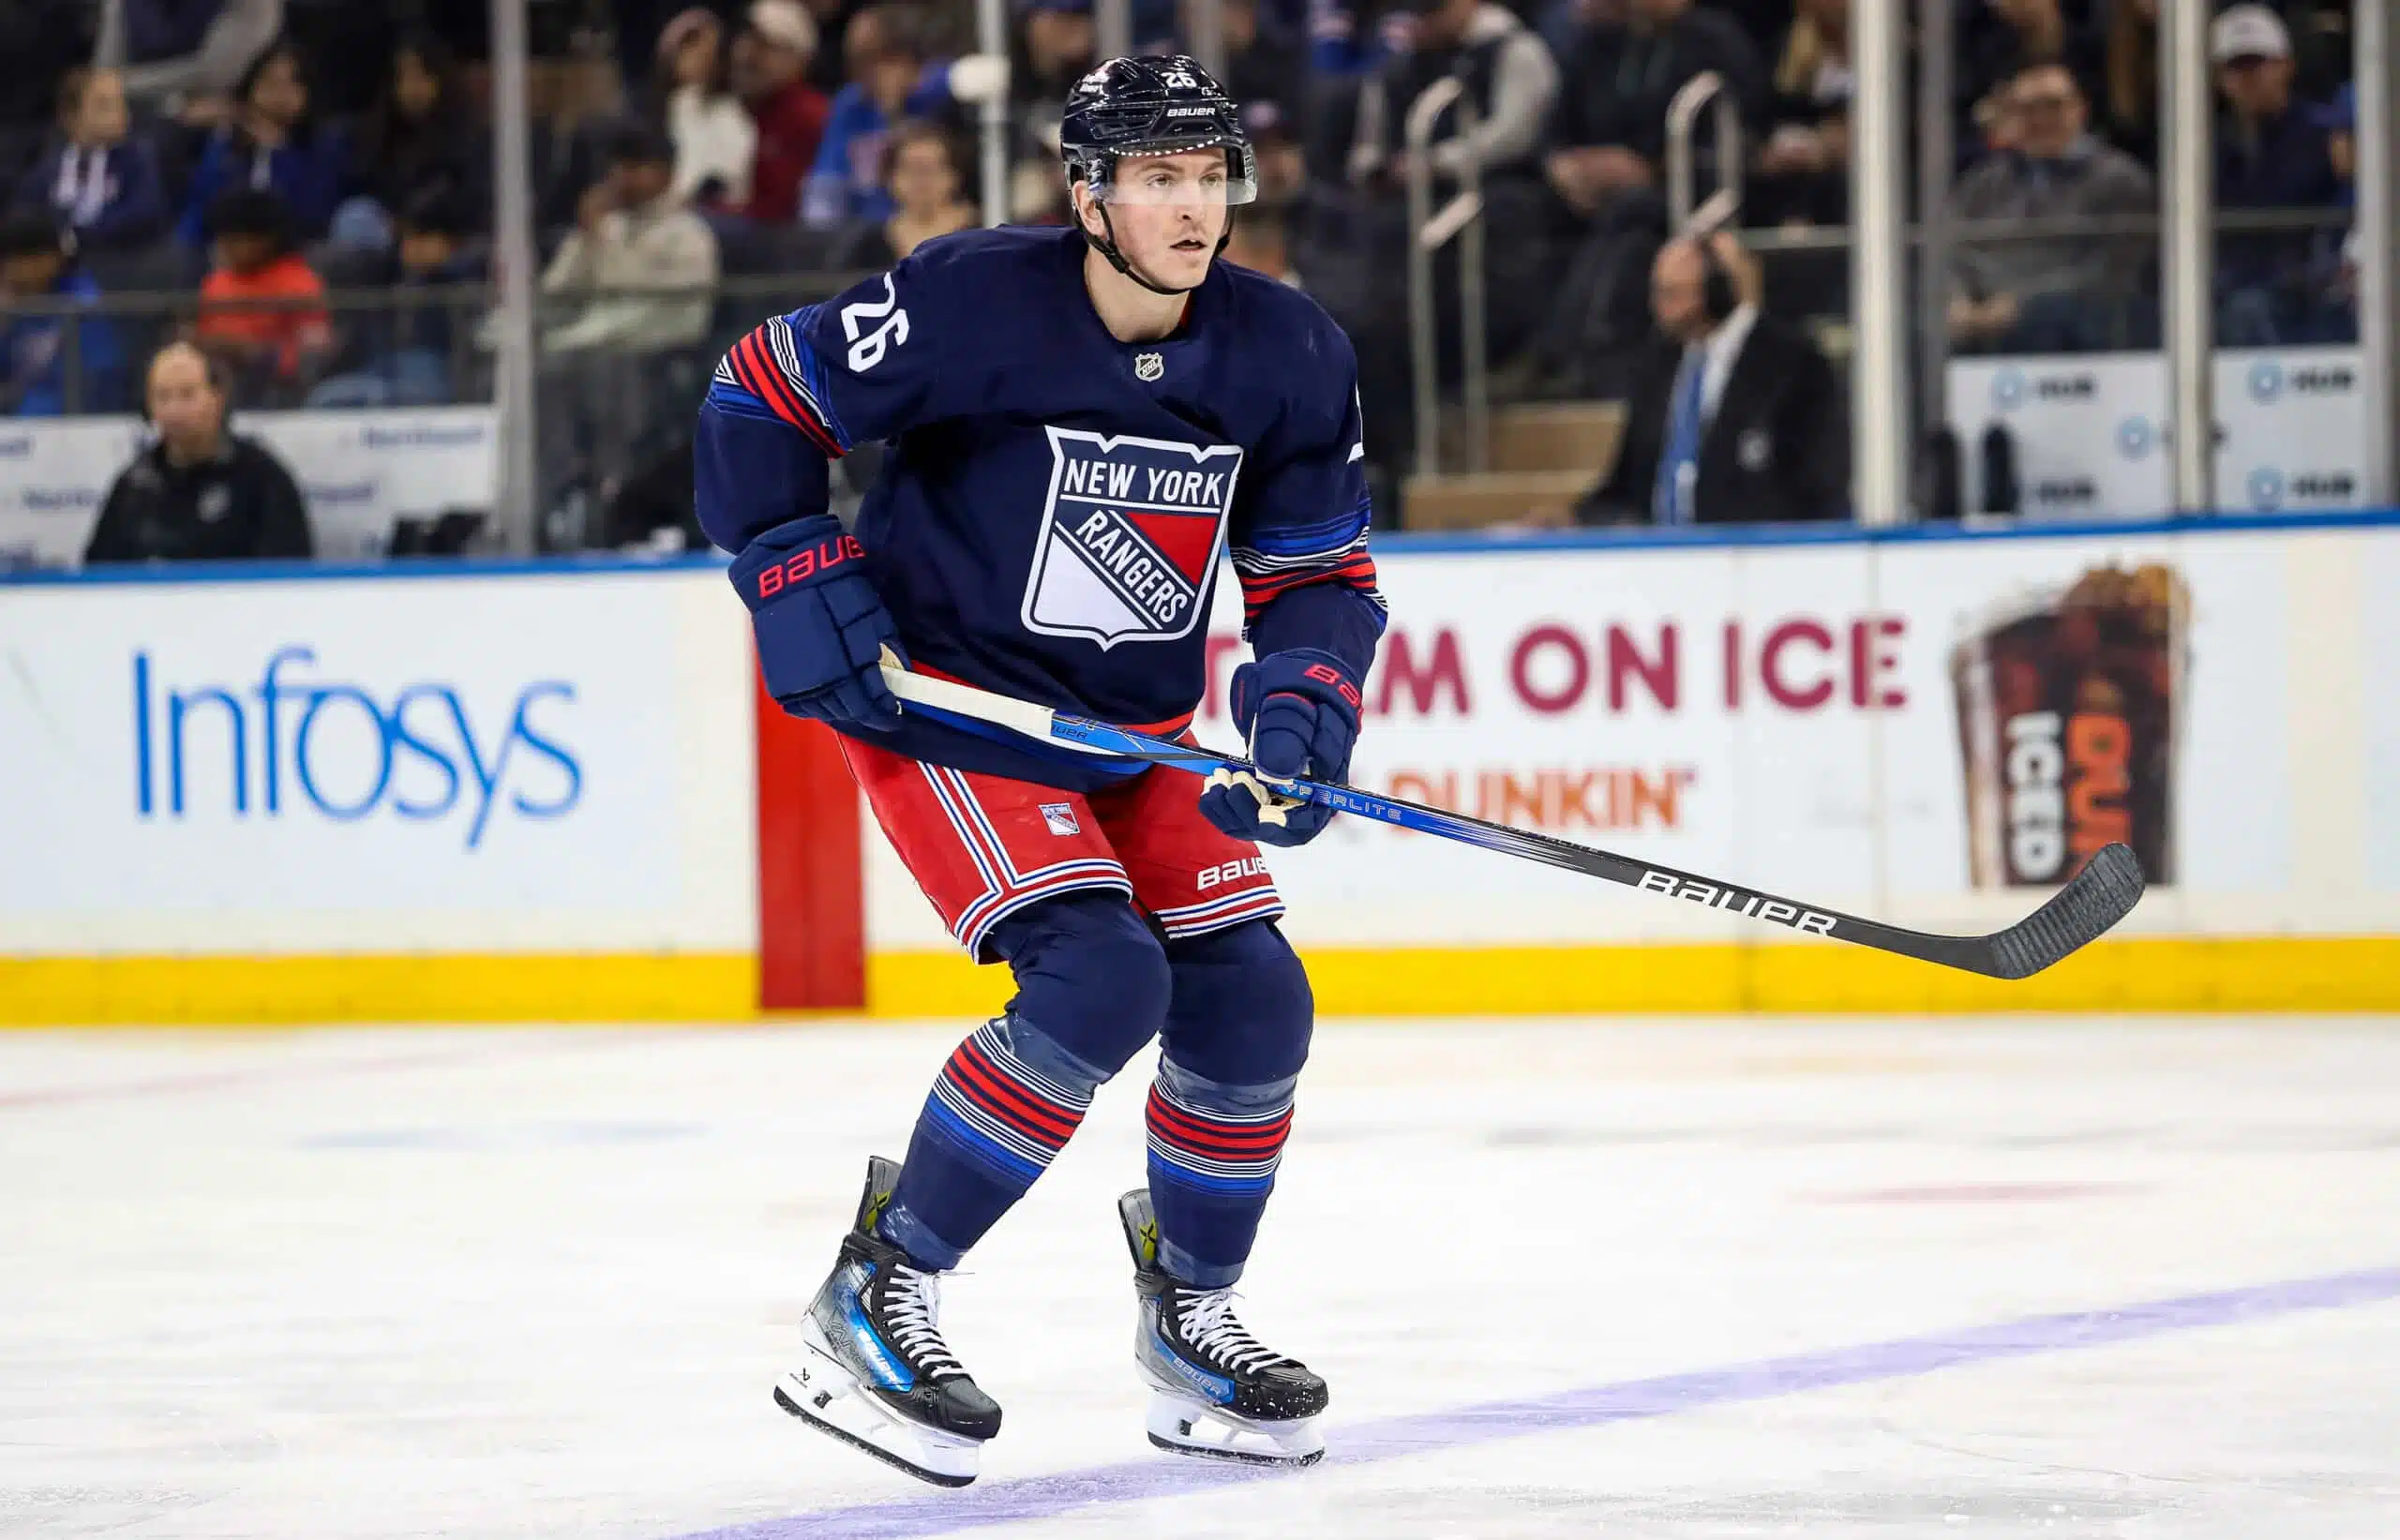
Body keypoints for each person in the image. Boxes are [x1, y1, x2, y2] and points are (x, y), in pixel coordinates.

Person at [695, 56, 1383, 1486]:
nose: (1193, 210)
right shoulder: (972, 299)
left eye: (1210, 177)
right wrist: (789, 560)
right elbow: (760, 390)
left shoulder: (1290, 352)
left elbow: (1316, 572)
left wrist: (1306, 698)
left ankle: (1192, 1315)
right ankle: (876, 1289)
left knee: (1254, 996)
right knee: (1099, 976)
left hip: (1127, 733)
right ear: (1087, 193)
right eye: (1158, 178)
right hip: (950, 709)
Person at [1576, 232, 1847, 525]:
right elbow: (1626, 480)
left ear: (1716, 292)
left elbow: (1816, 485)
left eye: (1671, 293)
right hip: (1659, 547)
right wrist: (1579, 517)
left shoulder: (1793, 364)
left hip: (1751, 546)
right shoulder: (1659, 363)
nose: (1657, 307)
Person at [1948, 63, 2156, 354]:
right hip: (1984, 325)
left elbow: (2114, 269)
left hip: (2083, 331)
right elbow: (1951, 254)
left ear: (2079, 109)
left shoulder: (2120, 179)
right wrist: (1958, 301)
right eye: (2027, 108)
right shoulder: (1983, 182)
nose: (2041, 118)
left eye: (2053, 105)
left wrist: (2023, 304)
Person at [83, 339, 313, 563]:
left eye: (187, 394)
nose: (174, 410)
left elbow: (289, 571)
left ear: (218, 398)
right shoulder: (133, 486)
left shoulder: (261, 478)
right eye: (162, 396)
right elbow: (100, 573)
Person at [2209, 4, 2346, 345]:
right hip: (2234, 288)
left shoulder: (2326, 135)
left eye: (2258, 64)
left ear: (2287, 66)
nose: (2248, 77)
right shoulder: (2208, 148)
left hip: (2310, 288)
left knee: (2249, 309)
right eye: (2236, 67)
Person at [539, 125, 718, 355]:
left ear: (666, 175)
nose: (622, 178)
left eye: (633, 168)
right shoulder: (605, 227)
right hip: (591, 348)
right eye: (618, 168)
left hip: (657, 356)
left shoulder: (689, 236)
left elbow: (678, 318)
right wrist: (586, 237)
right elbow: (554, 292)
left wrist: (580, 337)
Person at [176, 42, 352, 247]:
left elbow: (314, 213)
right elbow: (203, 205)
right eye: (270, 83)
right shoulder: (227, 141)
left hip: (299, 249)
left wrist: (279, 152)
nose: (280, 94)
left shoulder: (326, 144)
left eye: (293, 84)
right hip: (226, 250)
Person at [802, 5, 956, 226]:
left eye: (867, 58)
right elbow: (825, 185)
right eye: (852, 59)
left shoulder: (942, 90)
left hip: (933, 227)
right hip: (866, 234)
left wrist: (894, 111)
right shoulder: (850, 104)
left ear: (902, 58)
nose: (855, 70)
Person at [194, 187, 332, 399]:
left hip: (279, 393)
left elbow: (314, 354)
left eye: (234, 240)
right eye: (222, 240)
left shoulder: (299, 283)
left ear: (266, 240)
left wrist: (253, 352)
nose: (224, 248)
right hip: (216, 387)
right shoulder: (216, 282)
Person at [15, 68, 169, 252]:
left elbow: (143, 212)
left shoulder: (135, 159)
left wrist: (79, 236)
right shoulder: (48, 168)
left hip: (119, 256)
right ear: (71, 116)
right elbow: (24, 214)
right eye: (103, 105)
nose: (119, 113)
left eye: (121, 103)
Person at [354, 34, 487, 232]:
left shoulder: (467, 139)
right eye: (402, 79)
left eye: (421, 76)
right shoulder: (381, 140)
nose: (411, 89)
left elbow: (468, 204)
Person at [0, 213, 127, 415]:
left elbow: (95, 380)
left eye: (16, 261)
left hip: (73, 417)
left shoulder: (84, 306)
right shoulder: (15, 302)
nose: (10, 271)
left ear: (48, 259)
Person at [733, 0, 833, 222]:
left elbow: (782, 210)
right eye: (746, 40)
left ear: (799, 61)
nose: (748, 55)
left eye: (765, 47)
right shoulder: (731, 106)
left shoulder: (810, 117)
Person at [833, 119, 977, 265]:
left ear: (956, 175)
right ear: (889, 177)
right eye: (909, 168)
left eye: (933, 168)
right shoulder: (868, 245)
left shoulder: (982, 235)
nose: (921, 178)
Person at [657, 7, 758, 208]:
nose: (702, 59)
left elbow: (722, 178)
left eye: (709, 53)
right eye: (691, 49)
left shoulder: (735, 114)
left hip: (712, 211)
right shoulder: (679, 102)